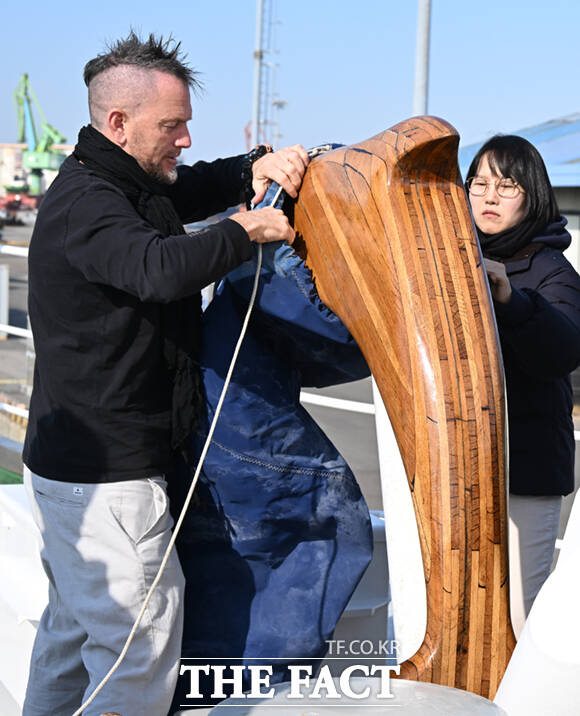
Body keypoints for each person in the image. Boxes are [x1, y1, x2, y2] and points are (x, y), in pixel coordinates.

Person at [22, 31, 308, 716]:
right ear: (118, 124)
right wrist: (248, 230)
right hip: (108, 477)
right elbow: (158, 269)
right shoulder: (88, 203)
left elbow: (189, 186)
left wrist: (253, 166)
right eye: (171, 126)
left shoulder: (123, 180)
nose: (183, 140)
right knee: (138, 654)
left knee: (70, 640)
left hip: (75, 472)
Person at [466, 135, 580, 637]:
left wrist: (512, 300)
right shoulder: (451, 258)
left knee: (521, 618)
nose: (489, 197)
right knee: (464, 615)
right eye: (480, 183)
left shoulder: (553, 270)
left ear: (532, 195)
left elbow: (562, 351)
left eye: (507, 186)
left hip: (526, 477)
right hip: (463, 470)